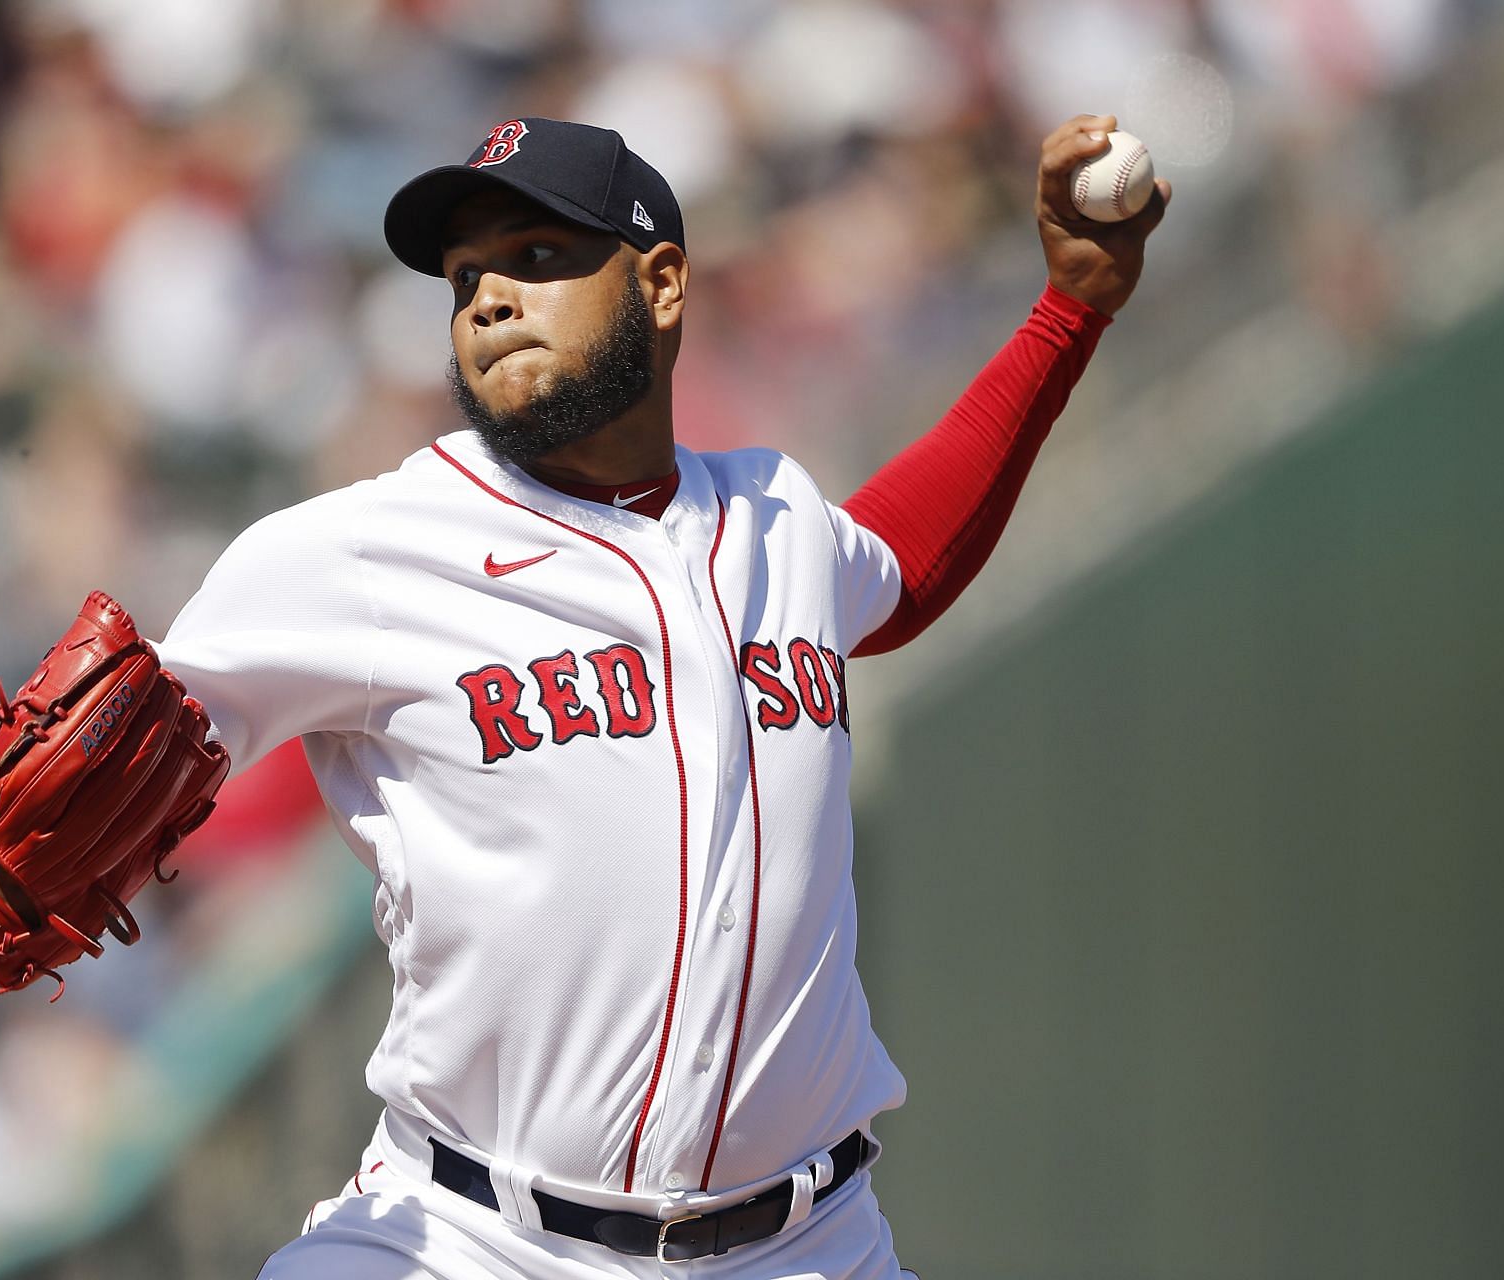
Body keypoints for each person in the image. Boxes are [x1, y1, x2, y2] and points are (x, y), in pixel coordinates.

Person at [157, 113, 1167, 1278]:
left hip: (809, 1245)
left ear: (664, 284)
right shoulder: (363, 553)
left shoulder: (776, 514)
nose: (487, 298)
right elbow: (104, 765)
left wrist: (1068, 310)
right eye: (466, 276)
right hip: (466, 1238)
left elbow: (900, 564)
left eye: (536, 259)